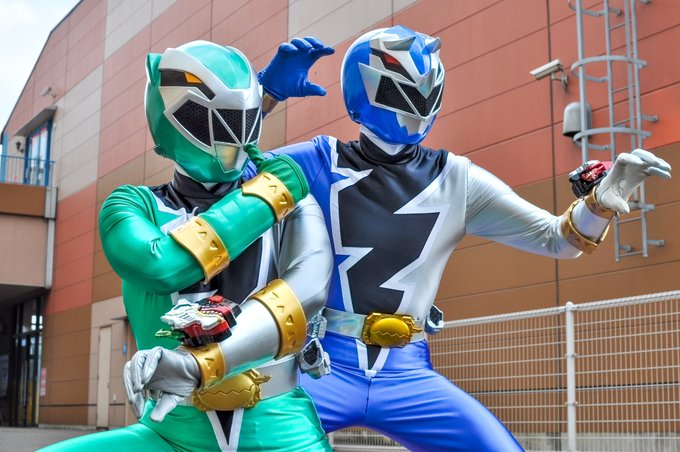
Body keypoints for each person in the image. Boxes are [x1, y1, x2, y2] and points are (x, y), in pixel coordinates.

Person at [256, 26, 672, 451]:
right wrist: (263, 95)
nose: (415, 103)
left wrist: (600, 202)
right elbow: (230, 176)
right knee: (235, 436)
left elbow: (558, 238)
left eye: (423, 90)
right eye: (401, 91)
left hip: (407, 373)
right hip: (322, 367)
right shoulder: (318, 162)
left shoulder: (457, 179)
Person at [42, 39, 335, 451]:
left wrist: (197, 365)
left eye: (242, 118)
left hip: (280, 426)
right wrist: (270, 193)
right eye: (210, 119)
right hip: (169, 429)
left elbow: (306, 294)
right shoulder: (133, 204)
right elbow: (162, 266)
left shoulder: (291, 200)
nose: (233, 135)